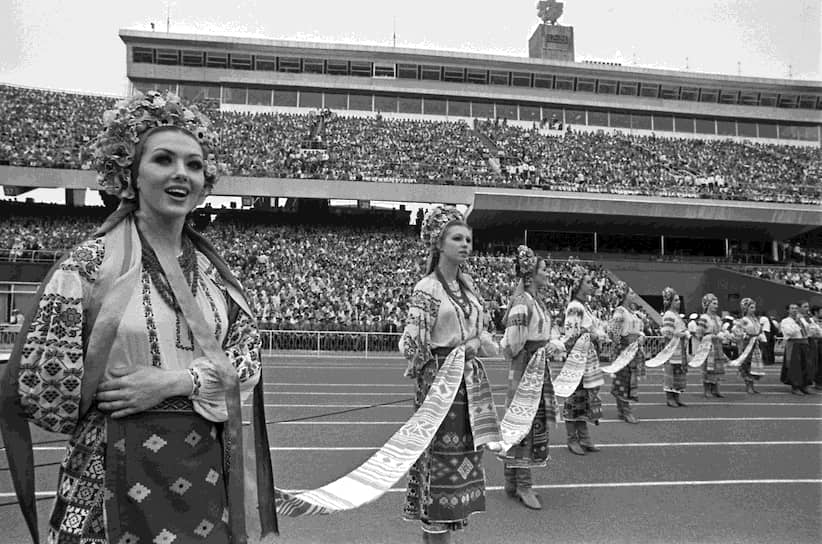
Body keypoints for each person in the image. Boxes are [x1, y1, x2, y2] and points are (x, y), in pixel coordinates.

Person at [0, 91, 276, 544]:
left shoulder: (216, 277)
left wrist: (173, 383)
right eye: (163, 159)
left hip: (203, 473)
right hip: (107, 469)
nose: (180, 174)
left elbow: (248, 362)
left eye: (193, 164)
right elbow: (41, 391)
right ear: (129, 172)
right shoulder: (87, 268)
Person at [399, 206, 499, 544]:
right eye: (457, 238)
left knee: (461, 463)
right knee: (438, 463)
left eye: (469, 239)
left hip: (467, 386)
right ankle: (435, 536)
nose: (465, 245)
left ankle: (447, 532)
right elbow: (412, 344)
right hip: (440, 386)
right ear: (439, 243)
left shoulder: (468, 289)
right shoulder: (427, 288)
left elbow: (481, 332)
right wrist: (440, 366)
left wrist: (473, 346)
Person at [498, 245, 563, 510]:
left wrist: (548, 345)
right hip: (527, 369)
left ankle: (512, 480)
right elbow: (513, 344)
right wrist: (537, 349)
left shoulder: (535, 301)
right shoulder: (523, 302)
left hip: (535, 366)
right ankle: (523, 483)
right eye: (544, 269)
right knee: (523, 422)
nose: (547, 273)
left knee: (527, 421)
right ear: (531, 273)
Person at [558, 268, 607, 456]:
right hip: (578, 358)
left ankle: (584, 437)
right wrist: (593, 334)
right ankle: (572, 438)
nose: (591, 284)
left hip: (586, 357)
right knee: (574, 398)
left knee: (584, 398)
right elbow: (571, 335)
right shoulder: (575, 307)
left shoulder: (584, 307)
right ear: (578, 285)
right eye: (587, 282)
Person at [607, 282, 646, 424]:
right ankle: (625, 410)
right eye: (631, 293)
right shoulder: (620, 311)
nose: (634, 295)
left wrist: (640, 335)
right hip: (625, 349)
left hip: (633, 349)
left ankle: (622, 409)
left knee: (628, 379)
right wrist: (621, 345)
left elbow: (637, 329)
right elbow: (613, 331)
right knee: (624, 380)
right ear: (624, 295)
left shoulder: (632, 312)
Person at [695, 293, 729, 398]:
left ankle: (715, 389)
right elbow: (699, 334)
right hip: (708, 346)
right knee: (707, 368)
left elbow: (721, 330)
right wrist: (710, 337)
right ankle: (707, 390)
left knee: (717, 367)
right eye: (714, 303)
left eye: (717, 304)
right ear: (707, 304)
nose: (716, 306)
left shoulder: (718, 318)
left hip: (717, 345)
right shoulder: (704, 318)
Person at [660, 287, 689, 407]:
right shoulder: (669, 315)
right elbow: (667, 333)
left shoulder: (677, 315)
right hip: (672, 348)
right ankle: (669, 398)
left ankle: (677, 396)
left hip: (679, 347)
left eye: (678, 300)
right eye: (676, 300)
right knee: (671, 372)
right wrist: (681, 334)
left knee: (679, 372)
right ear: (670, 302)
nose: (679, 302)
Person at [732, 298, 766, 394]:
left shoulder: (755, 319)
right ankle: (748, 386)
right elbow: (736, 330)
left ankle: (752, 385)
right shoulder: (744, 320)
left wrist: (760, 336)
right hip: (747, 344)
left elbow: (760, 330)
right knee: (747, 363)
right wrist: (744, 335)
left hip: (755, 343)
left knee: (754, 363)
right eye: (751, 307)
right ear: (746, 309)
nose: (753, 309)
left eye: (754, 307)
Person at [780, 303, 813, 395]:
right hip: (794, 344)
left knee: (806, 365)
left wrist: (803, 322)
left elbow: (809, 330)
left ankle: (805, 385)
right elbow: (789, 332)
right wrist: (797, 324)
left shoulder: (802, 320)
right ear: (788, 310)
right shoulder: (785, 321)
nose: (794, 310)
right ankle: (795, 386)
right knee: (795, 366)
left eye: (796, 308)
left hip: (804, 343)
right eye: (792, 308)